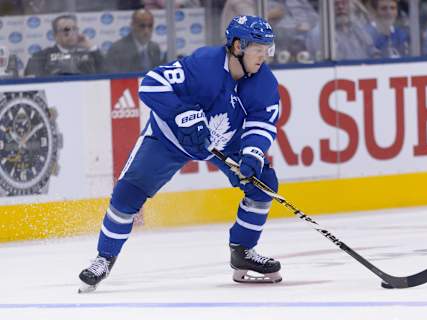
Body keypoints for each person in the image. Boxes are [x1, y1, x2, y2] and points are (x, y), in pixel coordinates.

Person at [78, 15, 282, 293]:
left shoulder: (264, 82)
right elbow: (150, 84)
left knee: (263, 185)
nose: (263, 56)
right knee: (128, 194)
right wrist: (181, 113)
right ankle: (103, 258)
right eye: (258, 49)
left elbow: (261, 123)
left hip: (221, 141)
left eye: (266, 49)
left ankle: (243, 251)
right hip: (169, 138)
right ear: (237, 46)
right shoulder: (204, 65)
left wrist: (252, 154)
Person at [24, 14, 103, 77]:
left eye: (74, 29)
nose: (71, 33)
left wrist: (91, 47)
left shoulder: (87, 56)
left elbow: (106, 73)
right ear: (55, 35)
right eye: (66, 30)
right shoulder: (41, 57)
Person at [105, 9, 166, 73]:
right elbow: (112, 77)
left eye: (150, 26)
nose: (146, 31)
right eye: (142, 26)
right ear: (132, 25)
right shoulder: (117, 49)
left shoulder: (154, 48)